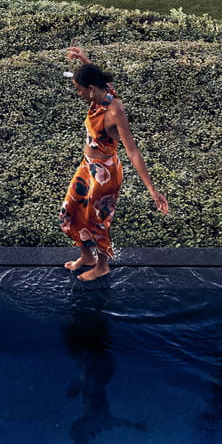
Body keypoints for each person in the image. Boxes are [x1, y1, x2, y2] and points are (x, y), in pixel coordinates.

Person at [60, 46, 169, 280]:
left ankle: (102, 265)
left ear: (91, 89)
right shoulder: (101, 91)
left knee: (96, 220)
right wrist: (83, 59)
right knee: (69, 210)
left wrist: (152, 190)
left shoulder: (113, 109)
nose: (78, 93)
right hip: (87, 166)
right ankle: (87, 257)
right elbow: (97, 76)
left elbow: (133, 151)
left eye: (79, 89)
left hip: (106, 174)